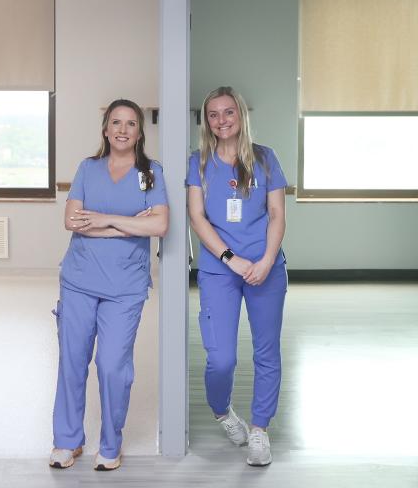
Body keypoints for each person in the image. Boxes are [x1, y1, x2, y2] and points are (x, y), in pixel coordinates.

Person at [49, 99, 168, 472]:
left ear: (139, 132)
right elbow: (73, 221)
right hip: (79, 281)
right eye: (115, 122)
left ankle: (111, 444)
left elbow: (159, 226)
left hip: (126, 286)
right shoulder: (88, 168)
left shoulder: (150, 173)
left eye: (130, 123)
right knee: (72, 363)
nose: (122, 129)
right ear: (105, 128)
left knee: (113, 366)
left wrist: (101, 219)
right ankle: (67, 441)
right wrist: (129, 221)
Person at [186, 86, 287, 467]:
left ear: (241, 115)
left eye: (229, 112)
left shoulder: (265, 158)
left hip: (266, 268)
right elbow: (197, 217)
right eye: (213, 114)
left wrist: (265, 260)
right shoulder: (197, 162)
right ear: (206, 121)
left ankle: (260, 429)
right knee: (221, 358)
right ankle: (223, 412)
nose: (222, 120)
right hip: (219, 269)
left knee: (266, 352)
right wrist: (230, 258)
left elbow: (277, 214)